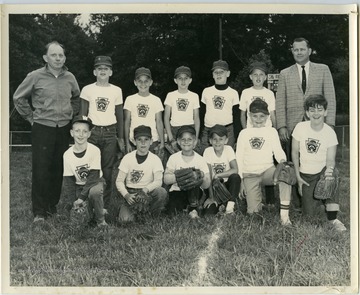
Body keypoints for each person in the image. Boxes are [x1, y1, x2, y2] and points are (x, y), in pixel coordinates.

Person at [13, 41, 80, 222]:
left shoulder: (70, 77)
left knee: (57, 168)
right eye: (54, 55)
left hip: (63, 127)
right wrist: (31, 118)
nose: (58, 59)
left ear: (64, 58)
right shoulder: (35, 76)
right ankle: (39, 212)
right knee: (41, 169)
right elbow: (18, 98)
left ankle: (52, 207)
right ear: (46, 58)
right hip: (43, 127)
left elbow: (76, 98)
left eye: (61, 55)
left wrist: (71, 115)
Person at [276, 37, 336, 210]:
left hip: (318, 124)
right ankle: (297, 200)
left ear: (309, 51)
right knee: (293, 162)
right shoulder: (285, 73)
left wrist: (330, 124)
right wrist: (282, 126)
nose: (299, 52)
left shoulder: (323, 69)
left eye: (302, 49)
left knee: (321, 160)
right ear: (292, 51)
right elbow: (280, 101)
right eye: (295, 50)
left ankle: (324, 196)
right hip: (293, 125)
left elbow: (330, 97)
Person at [291, 95, 346, 231]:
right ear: (307, 113)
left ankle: (333, 217)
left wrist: (328, 175)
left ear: (326, 112)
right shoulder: (300, 127)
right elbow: (294, 154)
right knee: (309, 218)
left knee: (333, 173)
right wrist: (298, 178)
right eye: (312, 110)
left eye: (320, 109)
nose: (316, 113)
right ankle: (318, 202)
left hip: (321, 173)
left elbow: (330, 160)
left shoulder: (329, 132)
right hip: (305, 176)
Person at [236, 99, 292, 225]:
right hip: (249, 174)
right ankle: (256, 201)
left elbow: (278, 151)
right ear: (249, 115)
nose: (258, 119)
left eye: (262, 116)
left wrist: (283, 161)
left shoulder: (271, 131)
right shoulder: (244, 133)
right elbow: (239, 158)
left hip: (268, 171)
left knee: (285, 174)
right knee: (253, 215)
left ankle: (284, 216)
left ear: (267, 116)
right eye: (255, 116)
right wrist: (241, 181)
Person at [79, 56, 124, 209]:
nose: (103, 71)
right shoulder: (87, 89)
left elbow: (119, 116)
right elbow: (83, 114)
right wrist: (83, 134)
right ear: (94, 71)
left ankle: (104, 205)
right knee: (90, 167)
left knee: (108, 169)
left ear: (111, 72)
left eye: (106, 68)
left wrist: (121, 137)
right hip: (92, 131)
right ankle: (86, 201)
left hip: (110, 132)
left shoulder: (116, 90)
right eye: (99, 68)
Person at [115, 125, 168, 222]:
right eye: (139, 140)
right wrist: (126, 195)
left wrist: (145, 190)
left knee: (161, 192)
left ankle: (152, 215)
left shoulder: (155, 159)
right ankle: (130, 211)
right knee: (125, 220)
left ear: (151, 141)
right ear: (134, 141)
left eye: (146, 139)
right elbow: (119, 181)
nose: (143, 143)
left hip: (148, 192)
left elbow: (158, 181)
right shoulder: (127, 158)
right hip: (132, 193)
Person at [62, 115, 107, 227]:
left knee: (94, 192)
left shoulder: (94, 150)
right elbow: (68, 180)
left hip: (95, 182)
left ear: (89, 134)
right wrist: (74, 202)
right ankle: (94, 210)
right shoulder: (67, 154)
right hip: (78, 185)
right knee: (79, 216)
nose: (81, 134)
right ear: (72, 133)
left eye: (84, 131)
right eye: (77, 131)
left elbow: (93, 176)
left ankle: (101, 221)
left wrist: (81, 198)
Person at [164, 125, 211, 219]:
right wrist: (179, 176)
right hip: (177, 190)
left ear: (195, 141)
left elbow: (206, 184)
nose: (186, 142)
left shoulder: (200, 159)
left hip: (194, 192)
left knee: (193, 188)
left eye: (189, 139)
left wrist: (200, 176)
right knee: (172, 215)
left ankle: (193, 210)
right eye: (183, 139)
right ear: (178, 141)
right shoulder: (173, 158)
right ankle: (185, 209)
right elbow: (166, 180)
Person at [199, 60, 240, 153]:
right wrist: (200, 134)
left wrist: (237, 137)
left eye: (222, 72)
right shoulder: (206, 91)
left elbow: (236, 116)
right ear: (213, 75)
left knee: (226, 158)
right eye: (216, 72)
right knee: (206, 157)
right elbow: (201, 113)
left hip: (227, 130)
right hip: (208, 130)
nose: (218, 74)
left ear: (228, 73)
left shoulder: (233, 93)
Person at [124, 67, 165, 158]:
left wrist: (162, 141)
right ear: (135, 82)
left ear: (151, 82)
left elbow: (159, 121)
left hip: (152, 141)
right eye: (140, 81)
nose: (143, 84)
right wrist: (127, 143)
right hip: (134, 140)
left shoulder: (156, 100)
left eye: (146, 81)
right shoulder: (130, 99)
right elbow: (127, 122)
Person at [202, 124, 241, 215]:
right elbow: (209, 175)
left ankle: (230, 208)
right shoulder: (207, 151)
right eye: (214, 139)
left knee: (235, 177)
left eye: (221, 139)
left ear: (226, 140)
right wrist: (211, 197)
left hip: (227, 186)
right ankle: (221, 204)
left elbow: (235, 170)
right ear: (210, 140)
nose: (217, 142)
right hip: (213, 187)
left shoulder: (229, 149)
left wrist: (218, 175)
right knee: (208, 214)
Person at [164, 66, 200, 152]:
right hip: (174, 129)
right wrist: (171, 138)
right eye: (180, 78)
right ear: (175, 80)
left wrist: (196, 137)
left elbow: (196, 118)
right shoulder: (171, 95)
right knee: (174, 157)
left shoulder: (194, 96)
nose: (183, 81)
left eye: (186, 78)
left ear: (190, 80)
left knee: (189, 156)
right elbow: (166, 117)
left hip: (189, 128)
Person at [239, 61, 276, 129]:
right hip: (251, 129)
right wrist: (245, 130)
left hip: (266, 129)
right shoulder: (245, 92)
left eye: (261, 74)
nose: (258, 77)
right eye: (255, 74)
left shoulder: (270, 93)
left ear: (265, 77)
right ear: (251, 77)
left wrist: (275, 131)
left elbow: (272, 115)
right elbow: (242, 115)